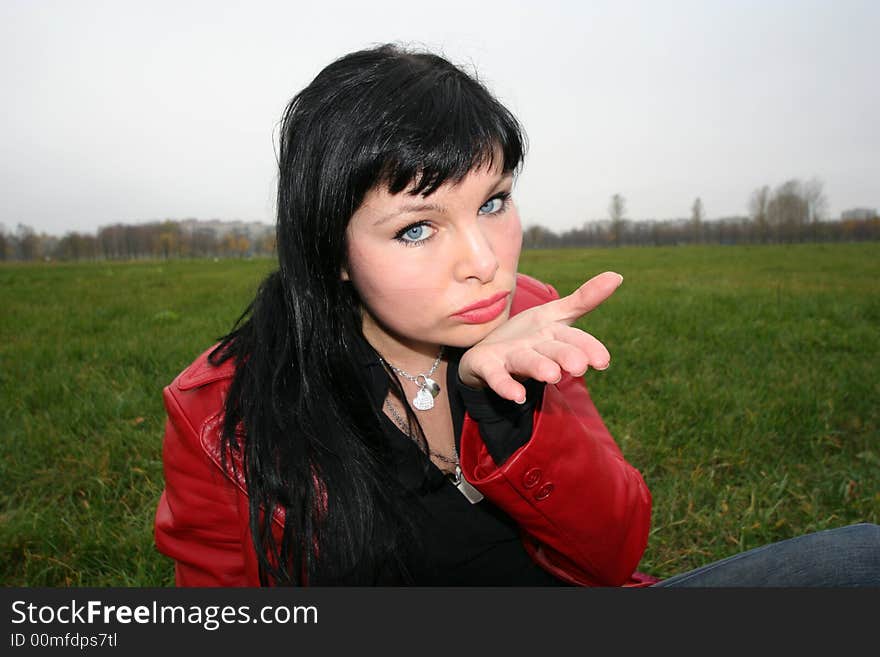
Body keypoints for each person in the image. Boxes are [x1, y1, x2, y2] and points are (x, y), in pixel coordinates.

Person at [154, 44, 879, 587]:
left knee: (861, 560)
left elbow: (610, 557)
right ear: (332, 249)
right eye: (417, 227)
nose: (484, 259)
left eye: (493, 202)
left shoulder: (524, 314)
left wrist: (514, 419)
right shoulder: (218, 412)